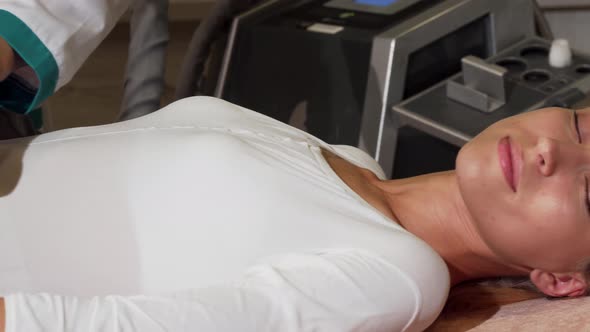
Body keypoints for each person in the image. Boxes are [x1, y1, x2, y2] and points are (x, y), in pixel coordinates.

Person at [0, 95, 589, 331]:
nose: (550, 151)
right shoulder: (347, 160)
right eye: (582, 126)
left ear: (562, 280)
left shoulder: (399, 276)